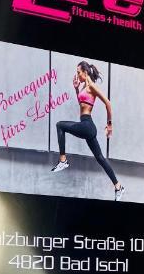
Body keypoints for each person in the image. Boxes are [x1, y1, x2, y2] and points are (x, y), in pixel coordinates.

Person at [51, 61, 126, 201]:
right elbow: (83, 104)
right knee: (100, 158)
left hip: (88, 126)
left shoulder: (92, 87)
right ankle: (118, 186)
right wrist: (76, 89)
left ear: (85, 73)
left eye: (78, 72)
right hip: (86, 125)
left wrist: (109, 125)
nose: (77, 75)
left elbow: (108, 103)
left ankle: (63, 160)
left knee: (59, 125)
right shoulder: (85, 87)